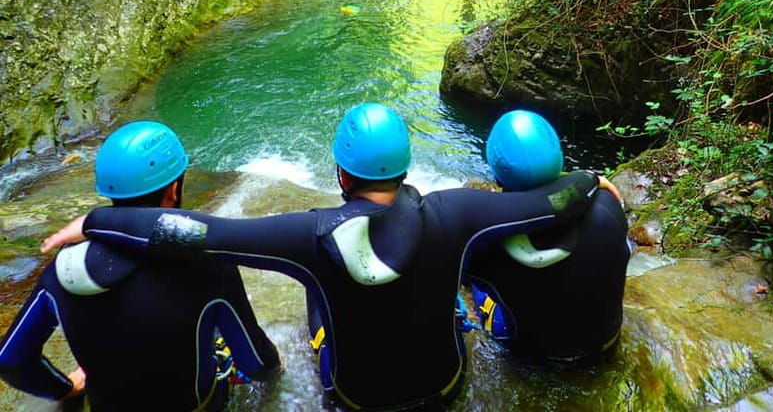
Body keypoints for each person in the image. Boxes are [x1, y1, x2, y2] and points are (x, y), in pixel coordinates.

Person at [40, 103, 606, 411]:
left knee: (317, 289)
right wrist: (592, 177)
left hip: (357, 398)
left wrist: (97, 220)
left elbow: (201, 233)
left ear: (339, 172)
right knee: (456, 276)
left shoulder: (306, 236)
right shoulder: (458, 212)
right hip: (446, 384)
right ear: (407, 168)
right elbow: (550, 201)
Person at [0, 121, 280, 411]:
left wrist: (65, 388)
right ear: (173, 189)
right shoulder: (207, 263)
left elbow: (10, 359)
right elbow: (258, 364)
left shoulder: (65, 269)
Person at [464, 110, 632, 365]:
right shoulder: (608, 202)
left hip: (535, 353)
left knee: (474, 284)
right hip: (606, 341)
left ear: (498, 172)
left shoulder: (490, 240)